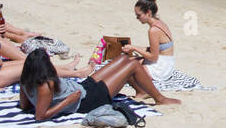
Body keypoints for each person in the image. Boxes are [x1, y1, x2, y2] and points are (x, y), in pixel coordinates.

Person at [18, 46, 180, 121]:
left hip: (84, 87)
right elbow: (40, 116)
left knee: (123, 59)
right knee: (133, 65)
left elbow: (25, 106)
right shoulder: (45, 86)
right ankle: (159, 98)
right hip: (87, 100)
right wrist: (68, 101)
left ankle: (141, 91)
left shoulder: (25, 80)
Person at [0, 0, 69, 92]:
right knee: (36, 65)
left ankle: (66, 68)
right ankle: (75, 73)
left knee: (29, 61)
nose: (0, 10)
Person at [125, 0, 176, 84]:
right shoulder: (159, 23)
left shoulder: (153, 30)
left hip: (162, 68)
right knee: (130, 61)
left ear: (148, 12)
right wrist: (132, 47)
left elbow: (153, 57)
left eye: (139, 15)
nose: (137, 18)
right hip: (168, 63)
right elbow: (156, 49)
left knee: (129, 69)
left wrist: (134, 48)